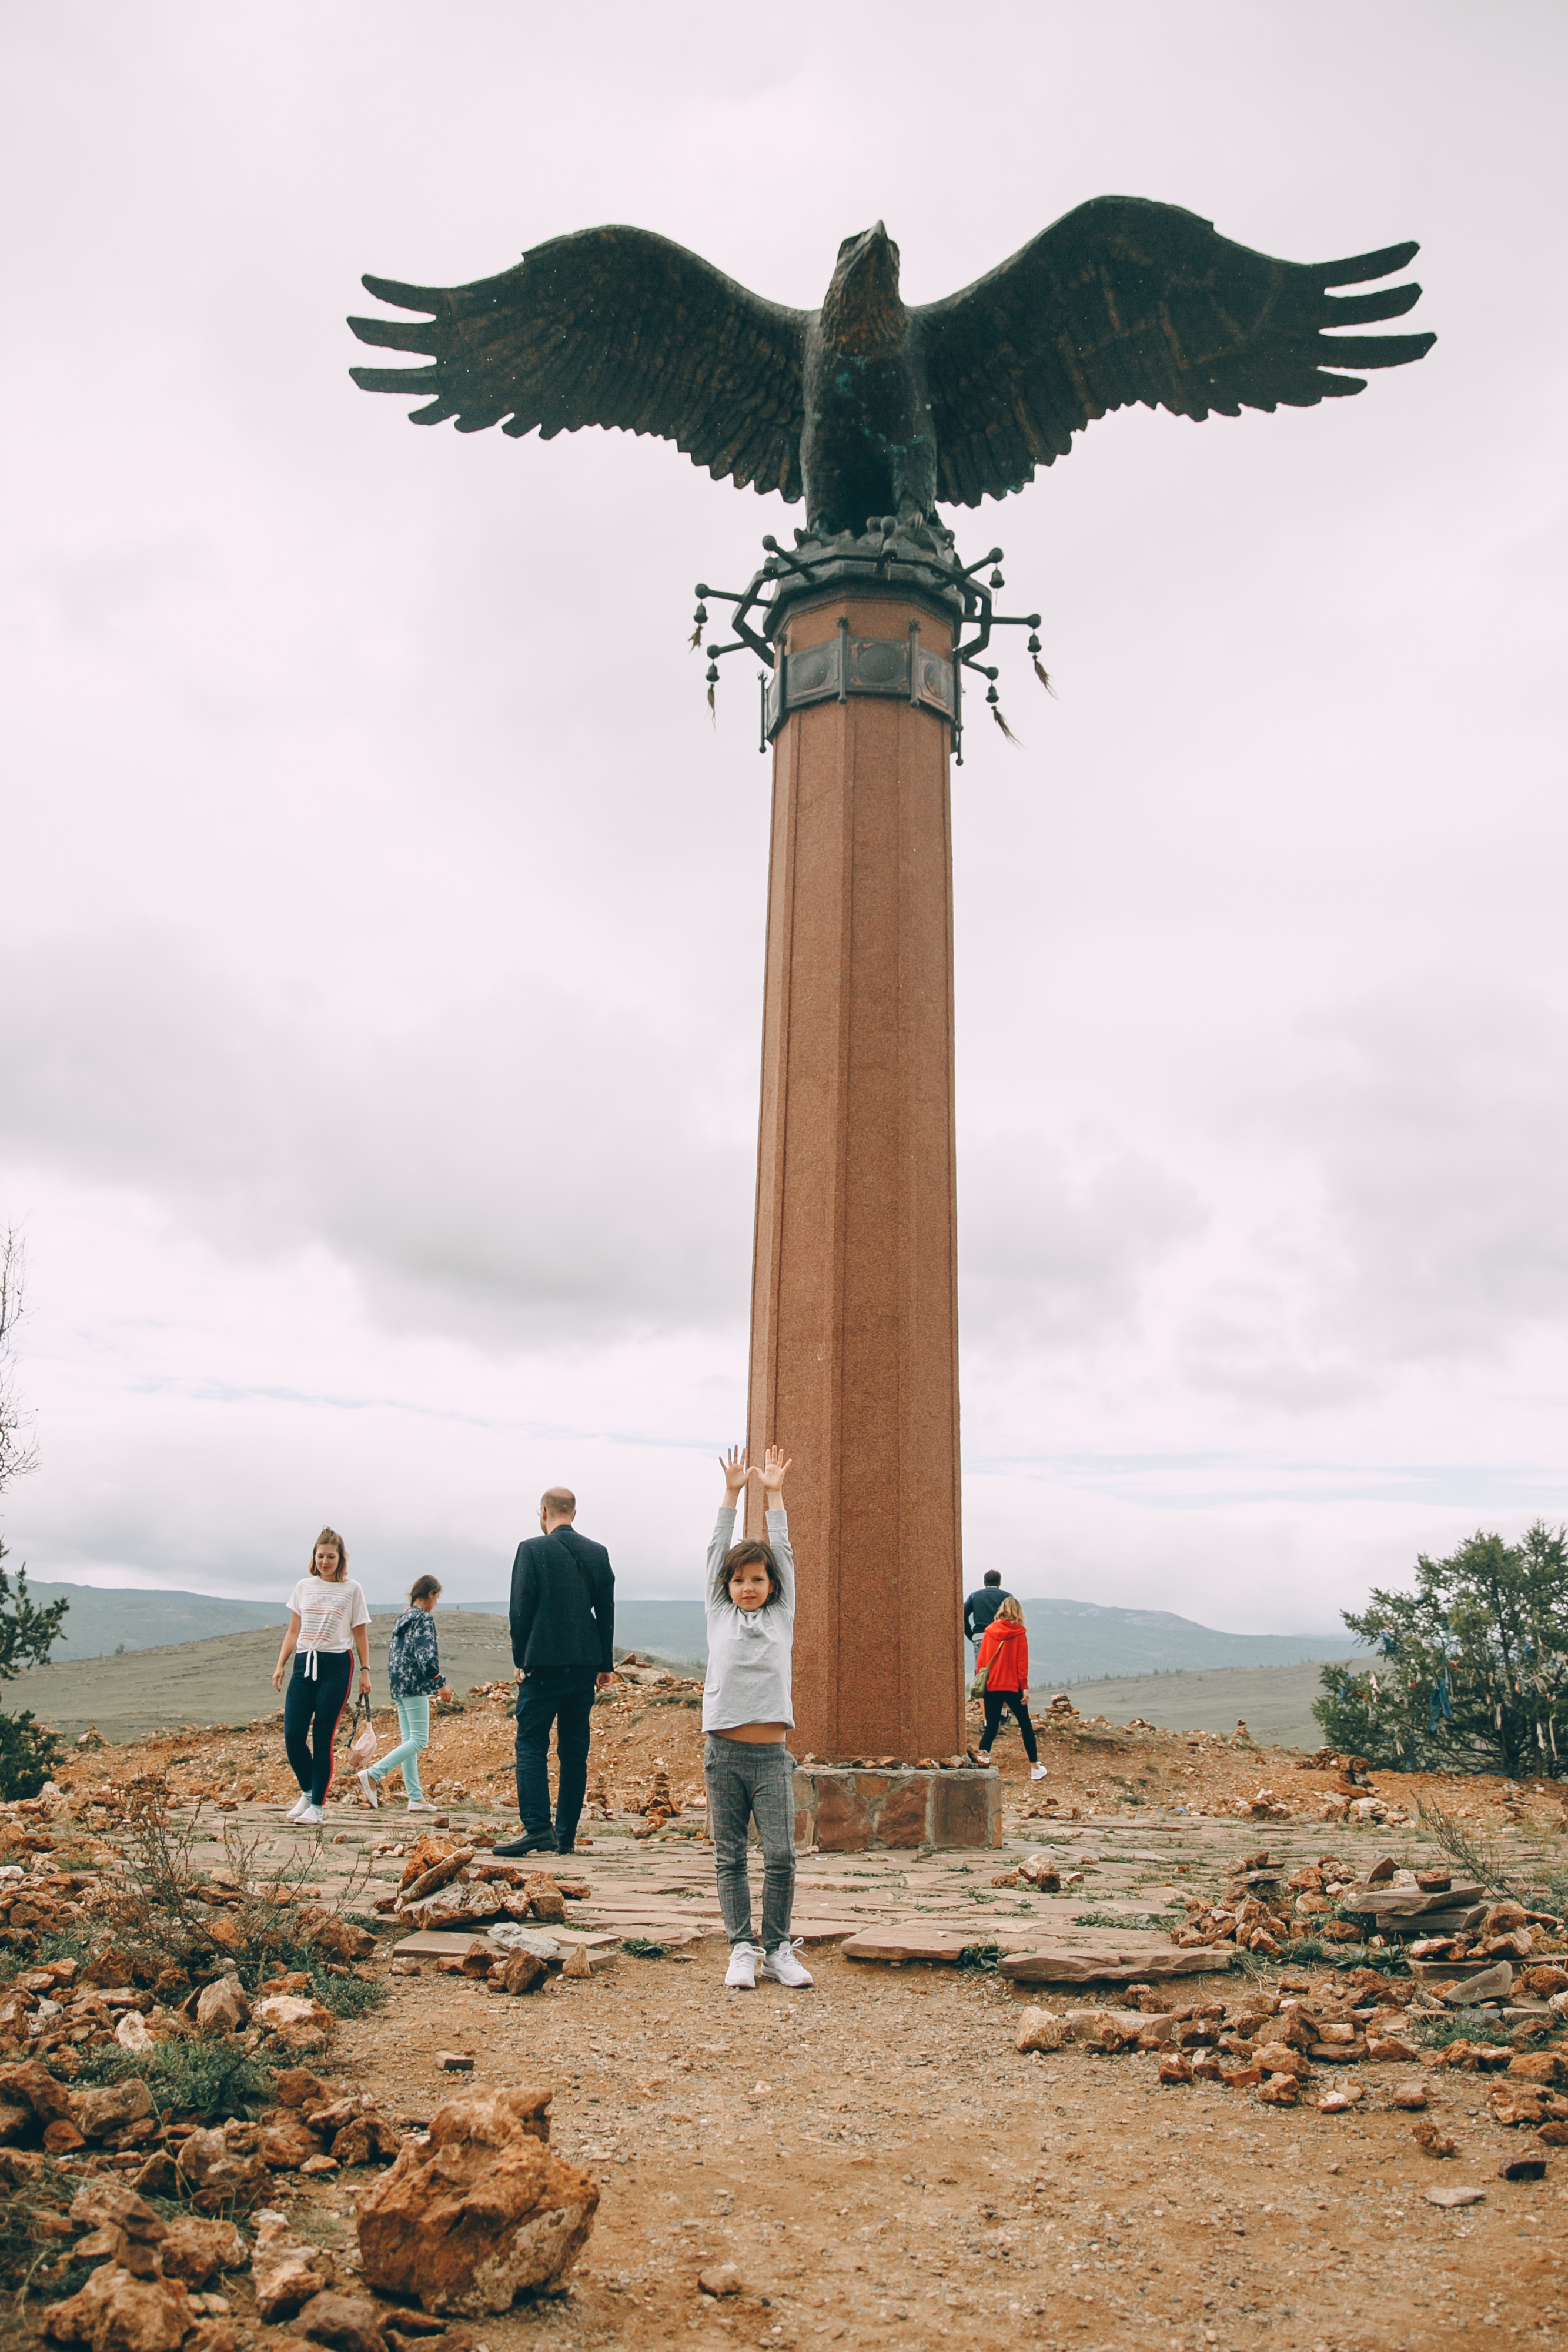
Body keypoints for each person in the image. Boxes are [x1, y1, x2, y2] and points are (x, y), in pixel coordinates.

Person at [704, 1444, 812, 1993]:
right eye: (740, 1580)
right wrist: (731, 1493)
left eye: (758, 1580)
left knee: (780, 1855)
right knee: (730, 1857)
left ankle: (776, 1948)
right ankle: (740, 1949)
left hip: (771, 1756)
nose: (749, 1587)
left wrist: (772, 1493)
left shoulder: (781, 1616)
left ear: (772, 1588)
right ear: (727, 1587)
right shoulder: (719, 1612)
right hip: (723, 1754)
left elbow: (785, 1554)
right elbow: (714, 1550)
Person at [494, 1485, 615, 1860]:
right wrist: (604, 1664)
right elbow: (606, 1611)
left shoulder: (531, 1549)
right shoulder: (598, 1552)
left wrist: (521, 1658)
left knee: (531, 1744)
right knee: (574, 1750)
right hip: (583, 1666)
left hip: (542, 1664)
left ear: (543, 1513)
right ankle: (565, 1837)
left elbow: (520, 1610)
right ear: (573, 1514)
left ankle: (536, 1830)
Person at [272, 1527, 372, 1826]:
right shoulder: (303, 1586)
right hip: (304, 1664)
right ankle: (307, 1790)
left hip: (336, 1666)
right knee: (293, 1736)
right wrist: (281, 1665)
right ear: (314, 1558)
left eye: (331, 1556)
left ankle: (317, 1806)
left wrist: (366, 1672)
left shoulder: (352, 1589)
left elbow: (360, 1633)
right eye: (321, 1556)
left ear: (341, 1559)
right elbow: (293, 1631)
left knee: (322, 1737)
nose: (325, 1562)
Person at [359, 1575, 454, 1812]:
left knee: (409, 1740)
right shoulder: (423, 1619)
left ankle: (415, 1797)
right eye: (437, 1597)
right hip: (416, 1685)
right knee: (419, 1740)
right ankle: (373, 1774)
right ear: (431, 1594)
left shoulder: (404, 1618)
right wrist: (439, 1682)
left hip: (399, 1685)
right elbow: (425, 1654)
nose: (436, 1603)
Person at [974, 1596, 1047, 1781]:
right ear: (1018, 1612)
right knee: (1025, 1725)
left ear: (1002, 1611)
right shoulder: (1019, 1633)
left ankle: (980, 1765)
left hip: (992, 1686)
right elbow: (1022, 1663)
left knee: (991, 1728)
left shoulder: (989, 1632)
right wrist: (1025, 1687)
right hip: (1012, 1686)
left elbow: (982, 1661)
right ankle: (1035, 1768)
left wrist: (983, 1684)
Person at [964, 1568, 1013, 1651]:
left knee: (982, 1664)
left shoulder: (974, 1596)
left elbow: (963, 1615)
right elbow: (1013, 1618)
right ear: (999, 1583)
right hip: (1001, 1638)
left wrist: (971, 1635)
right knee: (1001, 1665)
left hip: (980, 1636)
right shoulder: (1007, 1597)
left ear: (985, 1583)